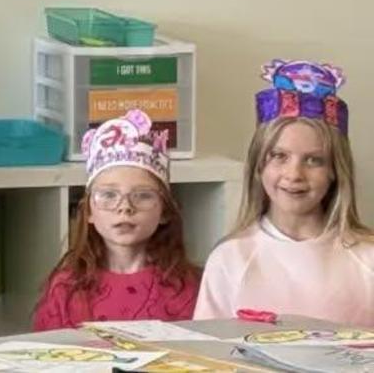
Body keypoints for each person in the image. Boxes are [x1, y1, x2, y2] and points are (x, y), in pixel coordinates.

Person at [194, 60, 374, 325]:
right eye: (279, 156)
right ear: (259, 165)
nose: (294, 175)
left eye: (314, 160)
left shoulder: (367, 257)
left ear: (335, 169)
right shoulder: (231, 258)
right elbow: (207, 354)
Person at [32, 110, 199, 329]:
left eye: (142, 196)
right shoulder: (65, 287)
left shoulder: (189, 286)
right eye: (109, 195)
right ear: (89, 211)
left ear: (165, 211)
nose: (125, 208)